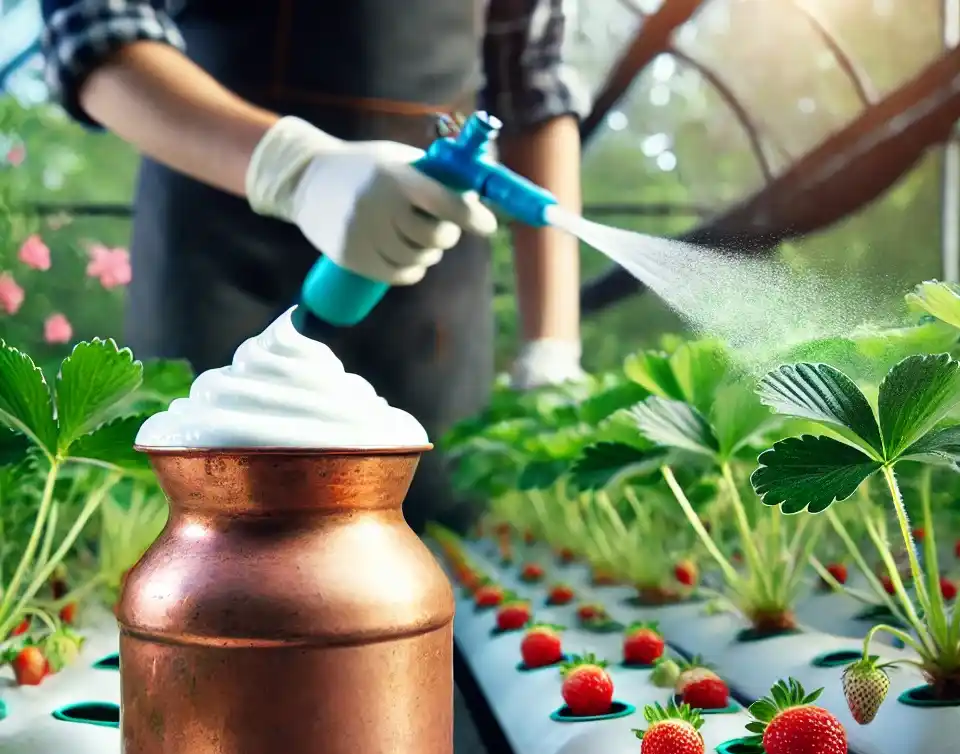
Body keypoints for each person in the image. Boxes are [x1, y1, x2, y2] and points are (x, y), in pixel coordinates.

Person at [40, 0, 588, 531]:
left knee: (422, 542)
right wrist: (293, 169)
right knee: (205, 541)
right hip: (219, 249)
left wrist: (551, 347)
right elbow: (92, 26)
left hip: (430, 277)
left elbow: (534, 87)